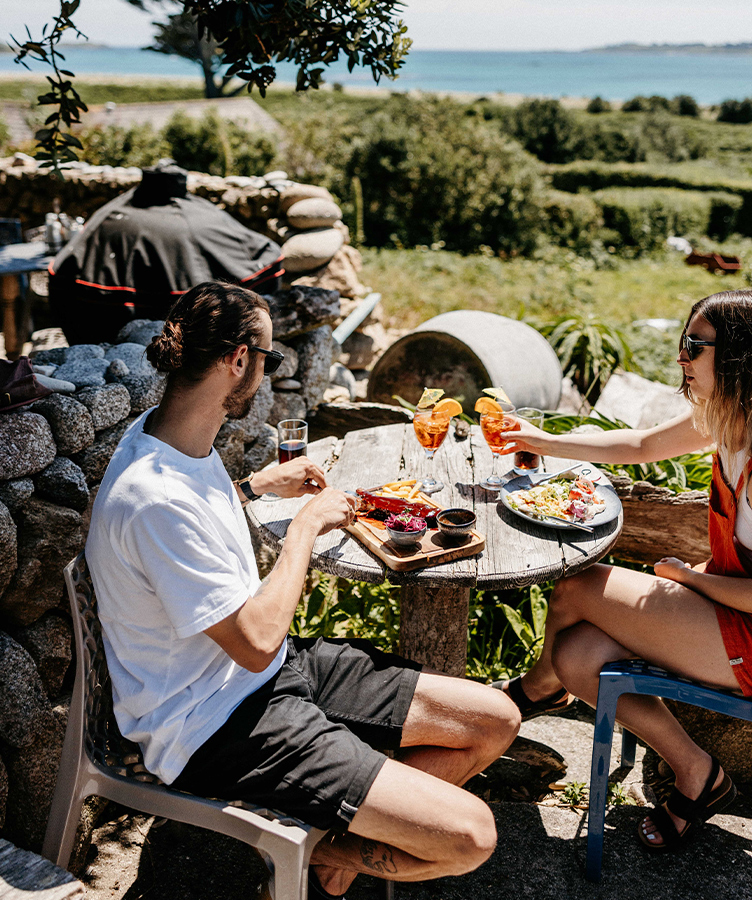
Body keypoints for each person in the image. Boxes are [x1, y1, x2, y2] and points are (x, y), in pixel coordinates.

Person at [85, 281, 520, 899]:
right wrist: (307, 529)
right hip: (212, 721)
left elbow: (191, 530)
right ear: (239, 359)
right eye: (271, 359)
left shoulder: (170, 437)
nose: (268, 373)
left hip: (274, 673)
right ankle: (331, 847)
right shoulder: (152, 496)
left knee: (495, 720)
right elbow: (256, 642)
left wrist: (256, 486)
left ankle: (352, 825)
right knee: (471, 838)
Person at [494, 288, 752, 852]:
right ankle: (698, 772)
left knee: (577, 585)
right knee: (576, 657)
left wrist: (689, 579)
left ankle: (534, 692)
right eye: (683, 343)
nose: (681, 358)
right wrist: (541, 440)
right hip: (743, 615)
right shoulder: (734, 419)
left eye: (695, 346)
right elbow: (641, 443)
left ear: (741, 357)